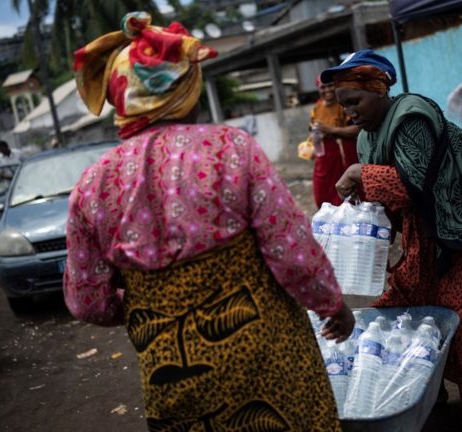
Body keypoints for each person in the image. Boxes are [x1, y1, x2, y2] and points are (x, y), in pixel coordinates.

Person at [66, 12, 354, 431]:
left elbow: (87, 302)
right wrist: (332, 305)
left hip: (172, 374)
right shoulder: (231, 149)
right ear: (185, 90)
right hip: (266, 359)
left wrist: (155, 307)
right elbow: (291, 253)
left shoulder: (91, 186)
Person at [328, 50, 462, 432]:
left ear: (379, 89)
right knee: (402, 322)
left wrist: (361, 174)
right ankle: (424, 396)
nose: (349, 112)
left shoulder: (411, 117)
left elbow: (415, 184)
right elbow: (387, 203)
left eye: (355, 101)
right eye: (344, 105)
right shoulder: (366, 138)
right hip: (424, 238)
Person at [309, 77, 360, 207]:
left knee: (347, 193)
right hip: (324, 158)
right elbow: (313, 130)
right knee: (322, 193)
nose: (327, 90)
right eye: (323, 87)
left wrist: (331, 130)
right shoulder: (317, 107)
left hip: (344, 154)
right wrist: (311, 144)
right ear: (318, 89)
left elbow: (358, 129)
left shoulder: (344, 103)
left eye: (330, 85)